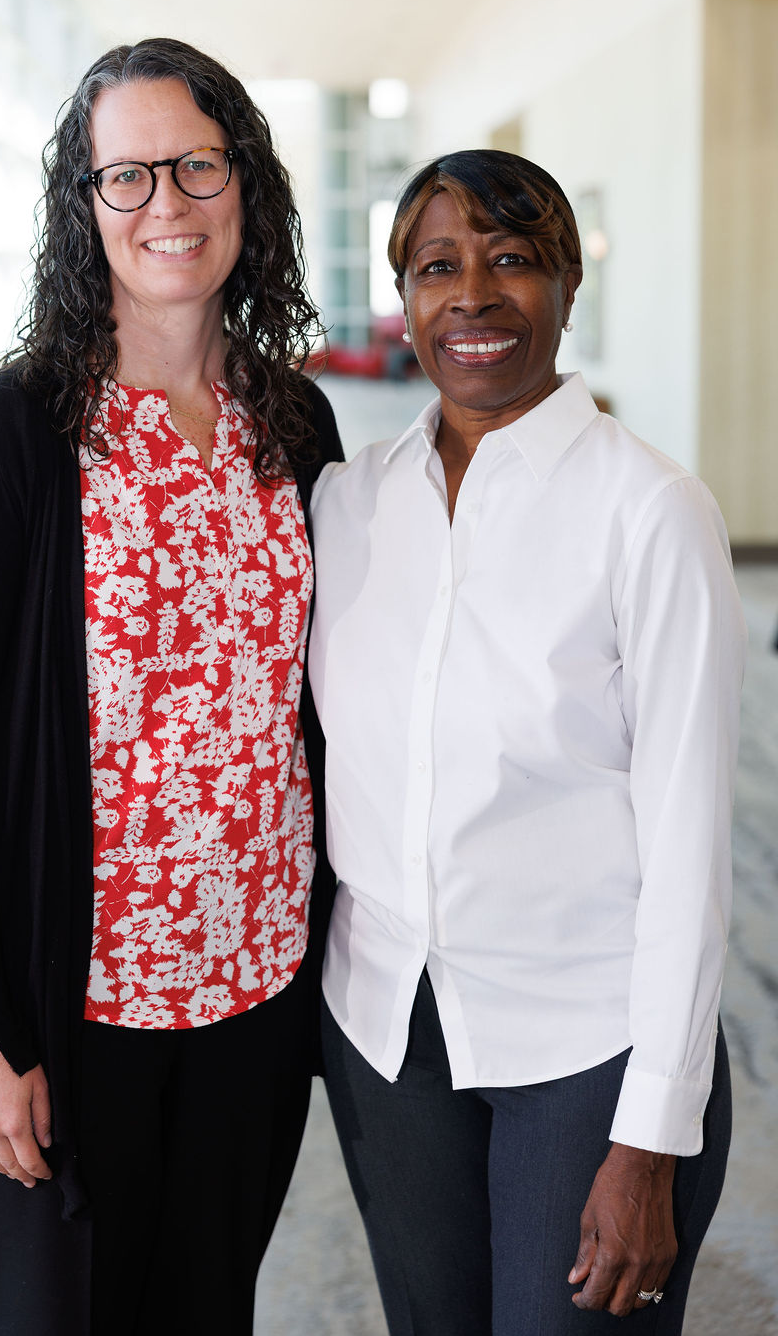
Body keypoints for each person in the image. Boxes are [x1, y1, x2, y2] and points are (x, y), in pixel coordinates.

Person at [0, 37, 342, 1336]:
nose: (167, 204)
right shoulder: (11, 431)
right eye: (128, 174)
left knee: (207, 1309)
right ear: (82, 205)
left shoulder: (294, 422)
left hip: (255, 983)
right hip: (64, 994)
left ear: (245, 185)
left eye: (197, 165)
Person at [308, 150, 745, 1336]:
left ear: (564, 282)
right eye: (437, 266)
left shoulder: (647, 510)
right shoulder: (350, 502)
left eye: (510, 259)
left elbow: (693, 845)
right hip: (389, 1028)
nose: (473, 295)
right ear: (404, 297)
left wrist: (652, 1132)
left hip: (586, 1040)